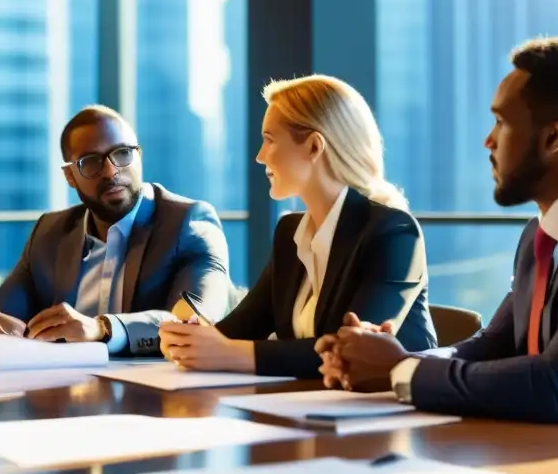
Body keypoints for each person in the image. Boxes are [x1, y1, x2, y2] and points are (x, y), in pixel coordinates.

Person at [320, 36, 558, 435]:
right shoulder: (543, 231)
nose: (488, 140)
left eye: (501, 122)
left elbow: (556, 389)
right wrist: (389, 358)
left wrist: (399, 370)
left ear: (554, 138)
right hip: (547, 457)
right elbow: (492, 345)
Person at [159, 75, 437, 378]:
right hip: (309, 407)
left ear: (314, 146)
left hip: (392, 412)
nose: (260, 156)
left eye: (270, 140)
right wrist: (191, 338)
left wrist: (228, 353)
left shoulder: (393, 233)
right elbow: (239, 330)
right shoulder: (290, 233)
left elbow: (350, 351)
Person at [0, 105, 232, 357]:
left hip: (159, 400)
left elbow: (195, 322)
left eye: (122, 153)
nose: (110, 171)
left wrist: (102, 329)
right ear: (70, 176)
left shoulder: (190, 222)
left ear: (139, 156)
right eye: (91, 162)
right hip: (65, 398)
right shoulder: (51, 232)